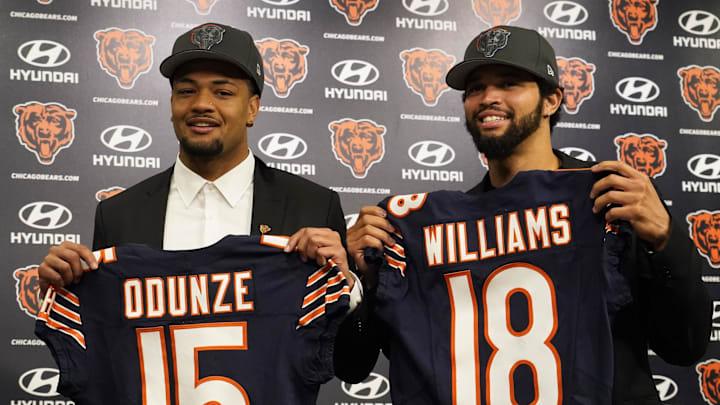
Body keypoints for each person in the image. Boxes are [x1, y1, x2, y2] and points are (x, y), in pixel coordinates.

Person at [334, 25, 711, 404]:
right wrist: (363, 281)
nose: (488, 98)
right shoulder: (430, 229)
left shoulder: (611, 200)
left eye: (509, 83)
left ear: (551, 100)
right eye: (475, 89)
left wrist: (664, 240)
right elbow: (354, 366)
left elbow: (685, 346)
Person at [38, 22, 355, 293]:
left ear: (252, 108)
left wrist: (347, 285)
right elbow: (108, 332)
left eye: (223, 92)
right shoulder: (118, 215)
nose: (201, 104)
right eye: (187, 91)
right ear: (172, 103)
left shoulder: (314, 207)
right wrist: (64, 295)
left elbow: (345, 345)